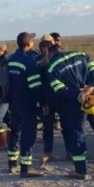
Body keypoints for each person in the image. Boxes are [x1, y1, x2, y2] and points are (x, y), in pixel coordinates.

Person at [47, 42, 94, 179]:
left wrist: (78, 93)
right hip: (93, 98)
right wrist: (91, 87)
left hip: (74, 104)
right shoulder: (82, 55)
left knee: (79, 135)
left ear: (50, 53)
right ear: (64, 49)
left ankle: (81, 171)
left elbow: (59, 90)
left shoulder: (52, 68)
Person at [6, 32, 45, 177]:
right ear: (29, 43)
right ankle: (26, 167)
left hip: (13, 103)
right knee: (28, 134)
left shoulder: (11, 59)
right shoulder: (30, 60)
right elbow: (35, 86)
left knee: (14, 132)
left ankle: (12, 164)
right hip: (27, 103)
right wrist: (42, 103)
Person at [36, 34, 59, 165]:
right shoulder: (37, 60)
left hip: (61, 96)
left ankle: (70, 151)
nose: (45, 48)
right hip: (47, 97)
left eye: (48, 45)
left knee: (67, 125)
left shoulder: (58, 57)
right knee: (47, 126)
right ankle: (48, 152)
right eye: (43, 46)